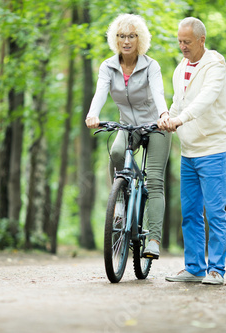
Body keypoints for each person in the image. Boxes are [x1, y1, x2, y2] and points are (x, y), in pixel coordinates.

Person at [86, 14, 172, 258]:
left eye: (131, 36)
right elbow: (100, 92)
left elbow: (158, 92)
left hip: (156, 125)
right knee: (115, 153)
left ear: (140, 39)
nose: (126, 41)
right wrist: (93, 114)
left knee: (154, 181)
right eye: (121, 36)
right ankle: (123, 199)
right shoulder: (108, 66)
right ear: (116, 40)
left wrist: (164, 114)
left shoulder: (150, 65)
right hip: (127, 125)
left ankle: (154, 240)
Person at [158, 17, 226, 284]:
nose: (182, 47)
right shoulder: (181, 69)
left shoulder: (215, 65)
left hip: (213, 149)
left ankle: (216, 270)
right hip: (188, 152)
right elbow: (179, 103)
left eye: (187, 42)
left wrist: (180, 119)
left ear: (201, 40)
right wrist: (167, 117)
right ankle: (194, 267)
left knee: (214, 212)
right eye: (179, 41)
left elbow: (205, 99)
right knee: (190, 213)